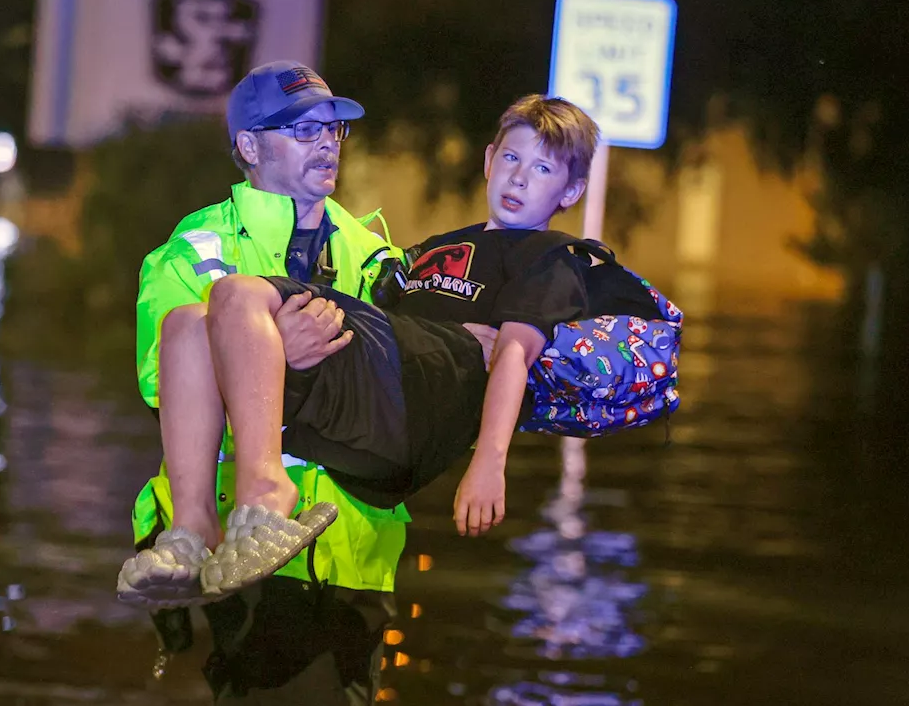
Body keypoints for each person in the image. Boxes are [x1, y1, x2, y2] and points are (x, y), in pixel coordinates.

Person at [129, 60, 474, 706]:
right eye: (303, 130)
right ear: (249, 147)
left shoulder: (375, 255)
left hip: (357, 549)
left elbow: (406, 381)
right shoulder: (198, 249)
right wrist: (276, 351)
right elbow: (164, 379)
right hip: (244, 551)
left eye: (333, 127)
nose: (328, 143)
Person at [125, 93, 600, 603]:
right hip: (348, 418)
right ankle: (193, 534)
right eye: (511, 158)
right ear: (488, 160)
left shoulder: (547, 260)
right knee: (187, 323)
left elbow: (509, 357)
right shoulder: (428, 252)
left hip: (384, 447)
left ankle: (264, 493)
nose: (521, 177)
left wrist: (489, 462)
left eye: (543, 168)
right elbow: (162, 381)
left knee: (237, 294)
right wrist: (278, 349)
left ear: (570, 190)